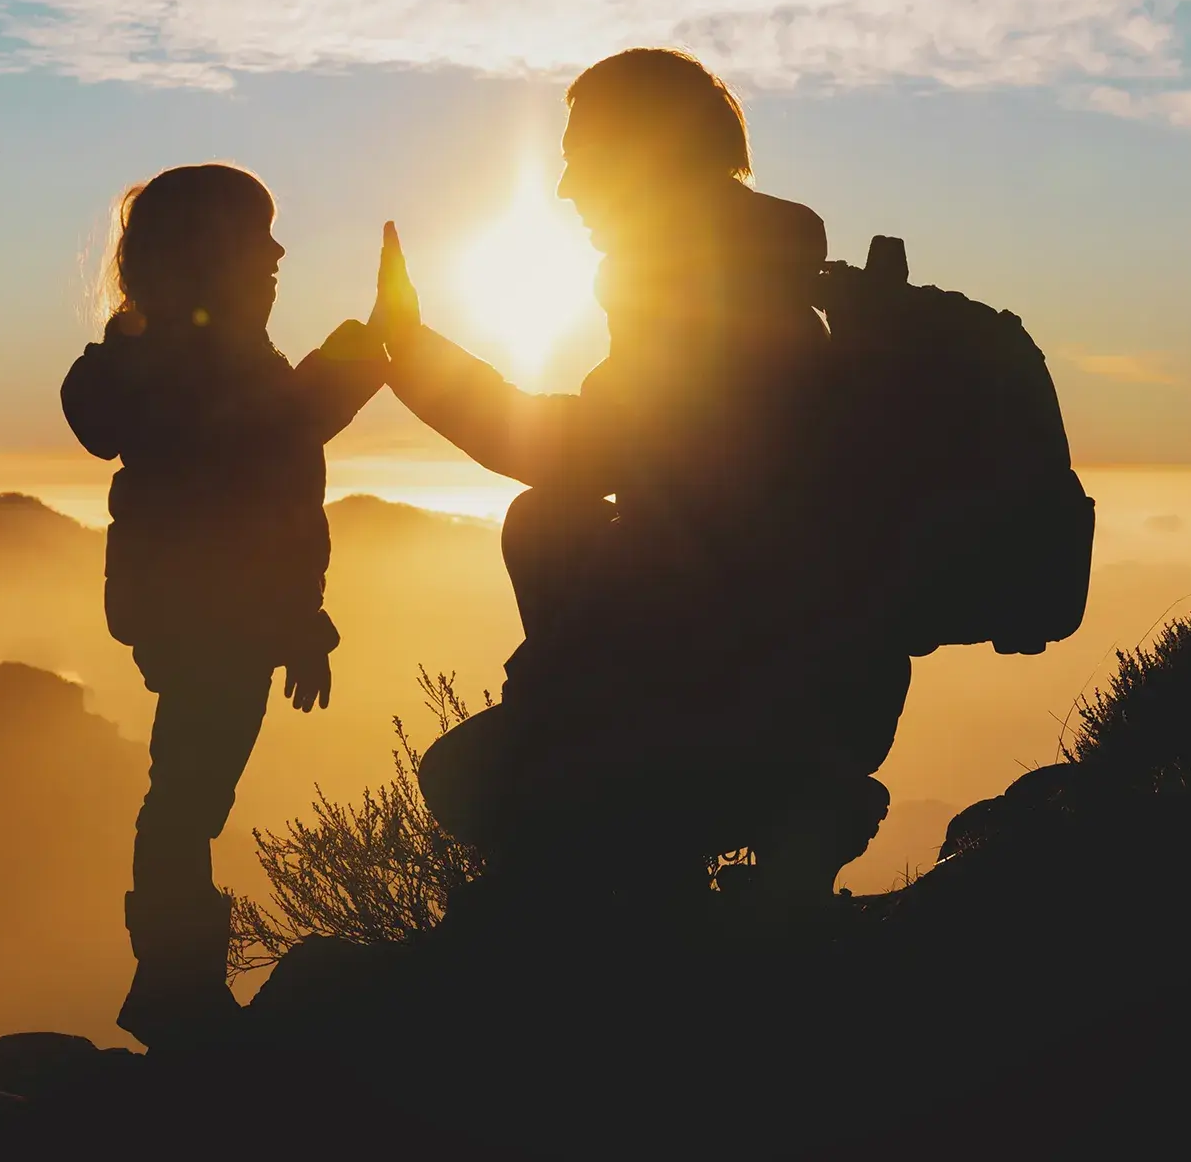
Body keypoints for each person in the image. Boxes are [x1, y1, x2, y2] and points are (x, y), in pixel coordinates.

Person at [371, 49, 906, 912]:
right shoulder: (755, 283)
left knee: (474, 784)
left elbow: (578, 449)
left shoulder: (708, 300)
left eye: (584, 156)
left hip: (761, 688)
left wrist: (416, 357)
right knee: (547, 526)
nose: (566, 189)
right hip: (818, 676)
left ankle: (777, 815)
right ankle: (764, 815)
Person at [62, 163, 386, 1043]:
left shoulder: (192, 357)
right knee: (187, 800)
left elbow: (270, 447)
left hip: (202, 614)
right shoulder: (195, 362)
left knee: (187, 795)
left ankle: (176, 984)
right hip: (207, 618)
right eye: (259, 236)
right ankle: (176, 992)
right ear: (209, 253)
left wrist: (295, 620)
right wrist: (370, 344)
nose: (279, 252)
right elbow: (272, 442)